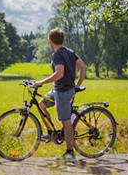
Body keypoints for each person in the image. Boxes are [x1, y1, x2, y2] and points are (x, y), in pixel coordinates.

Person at [32, 28, 87, 164]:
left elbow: (59, 73)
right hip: (59, 90)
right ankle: (51, 133)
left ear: (50, 41)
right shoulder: (69, 52)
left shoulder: (57, 55)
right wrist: (77, 84)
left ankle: (69, 153)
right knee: (42, 104)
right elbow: (83, 67)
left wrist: (41, 82)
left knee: (65, 121)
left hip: (62, 92)